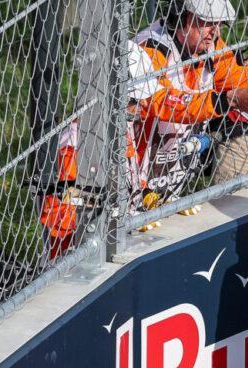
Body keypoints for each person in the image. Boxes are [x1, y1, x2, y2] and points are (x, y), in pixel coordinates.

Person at [134, 0, 248, 187]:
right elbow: (161, 101)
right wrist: (226, 100)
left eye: (219, 23)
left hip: (171, 172)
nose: (215, 31)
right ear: (181, 17)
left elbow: (244, 77)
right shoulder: (150, 48)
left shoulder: (210, 46)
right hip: (136, 170)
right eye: (207, 22)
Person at [39, 42, 161, 259]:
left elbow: (130, 179)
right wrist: (110, 210)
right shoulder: (73, 145)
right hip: (77, 258)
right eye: (135, 99)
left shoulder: (120, 127)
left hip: (121, 242)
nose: (143, 105)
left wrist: (143, 196)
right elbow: (58, 214)